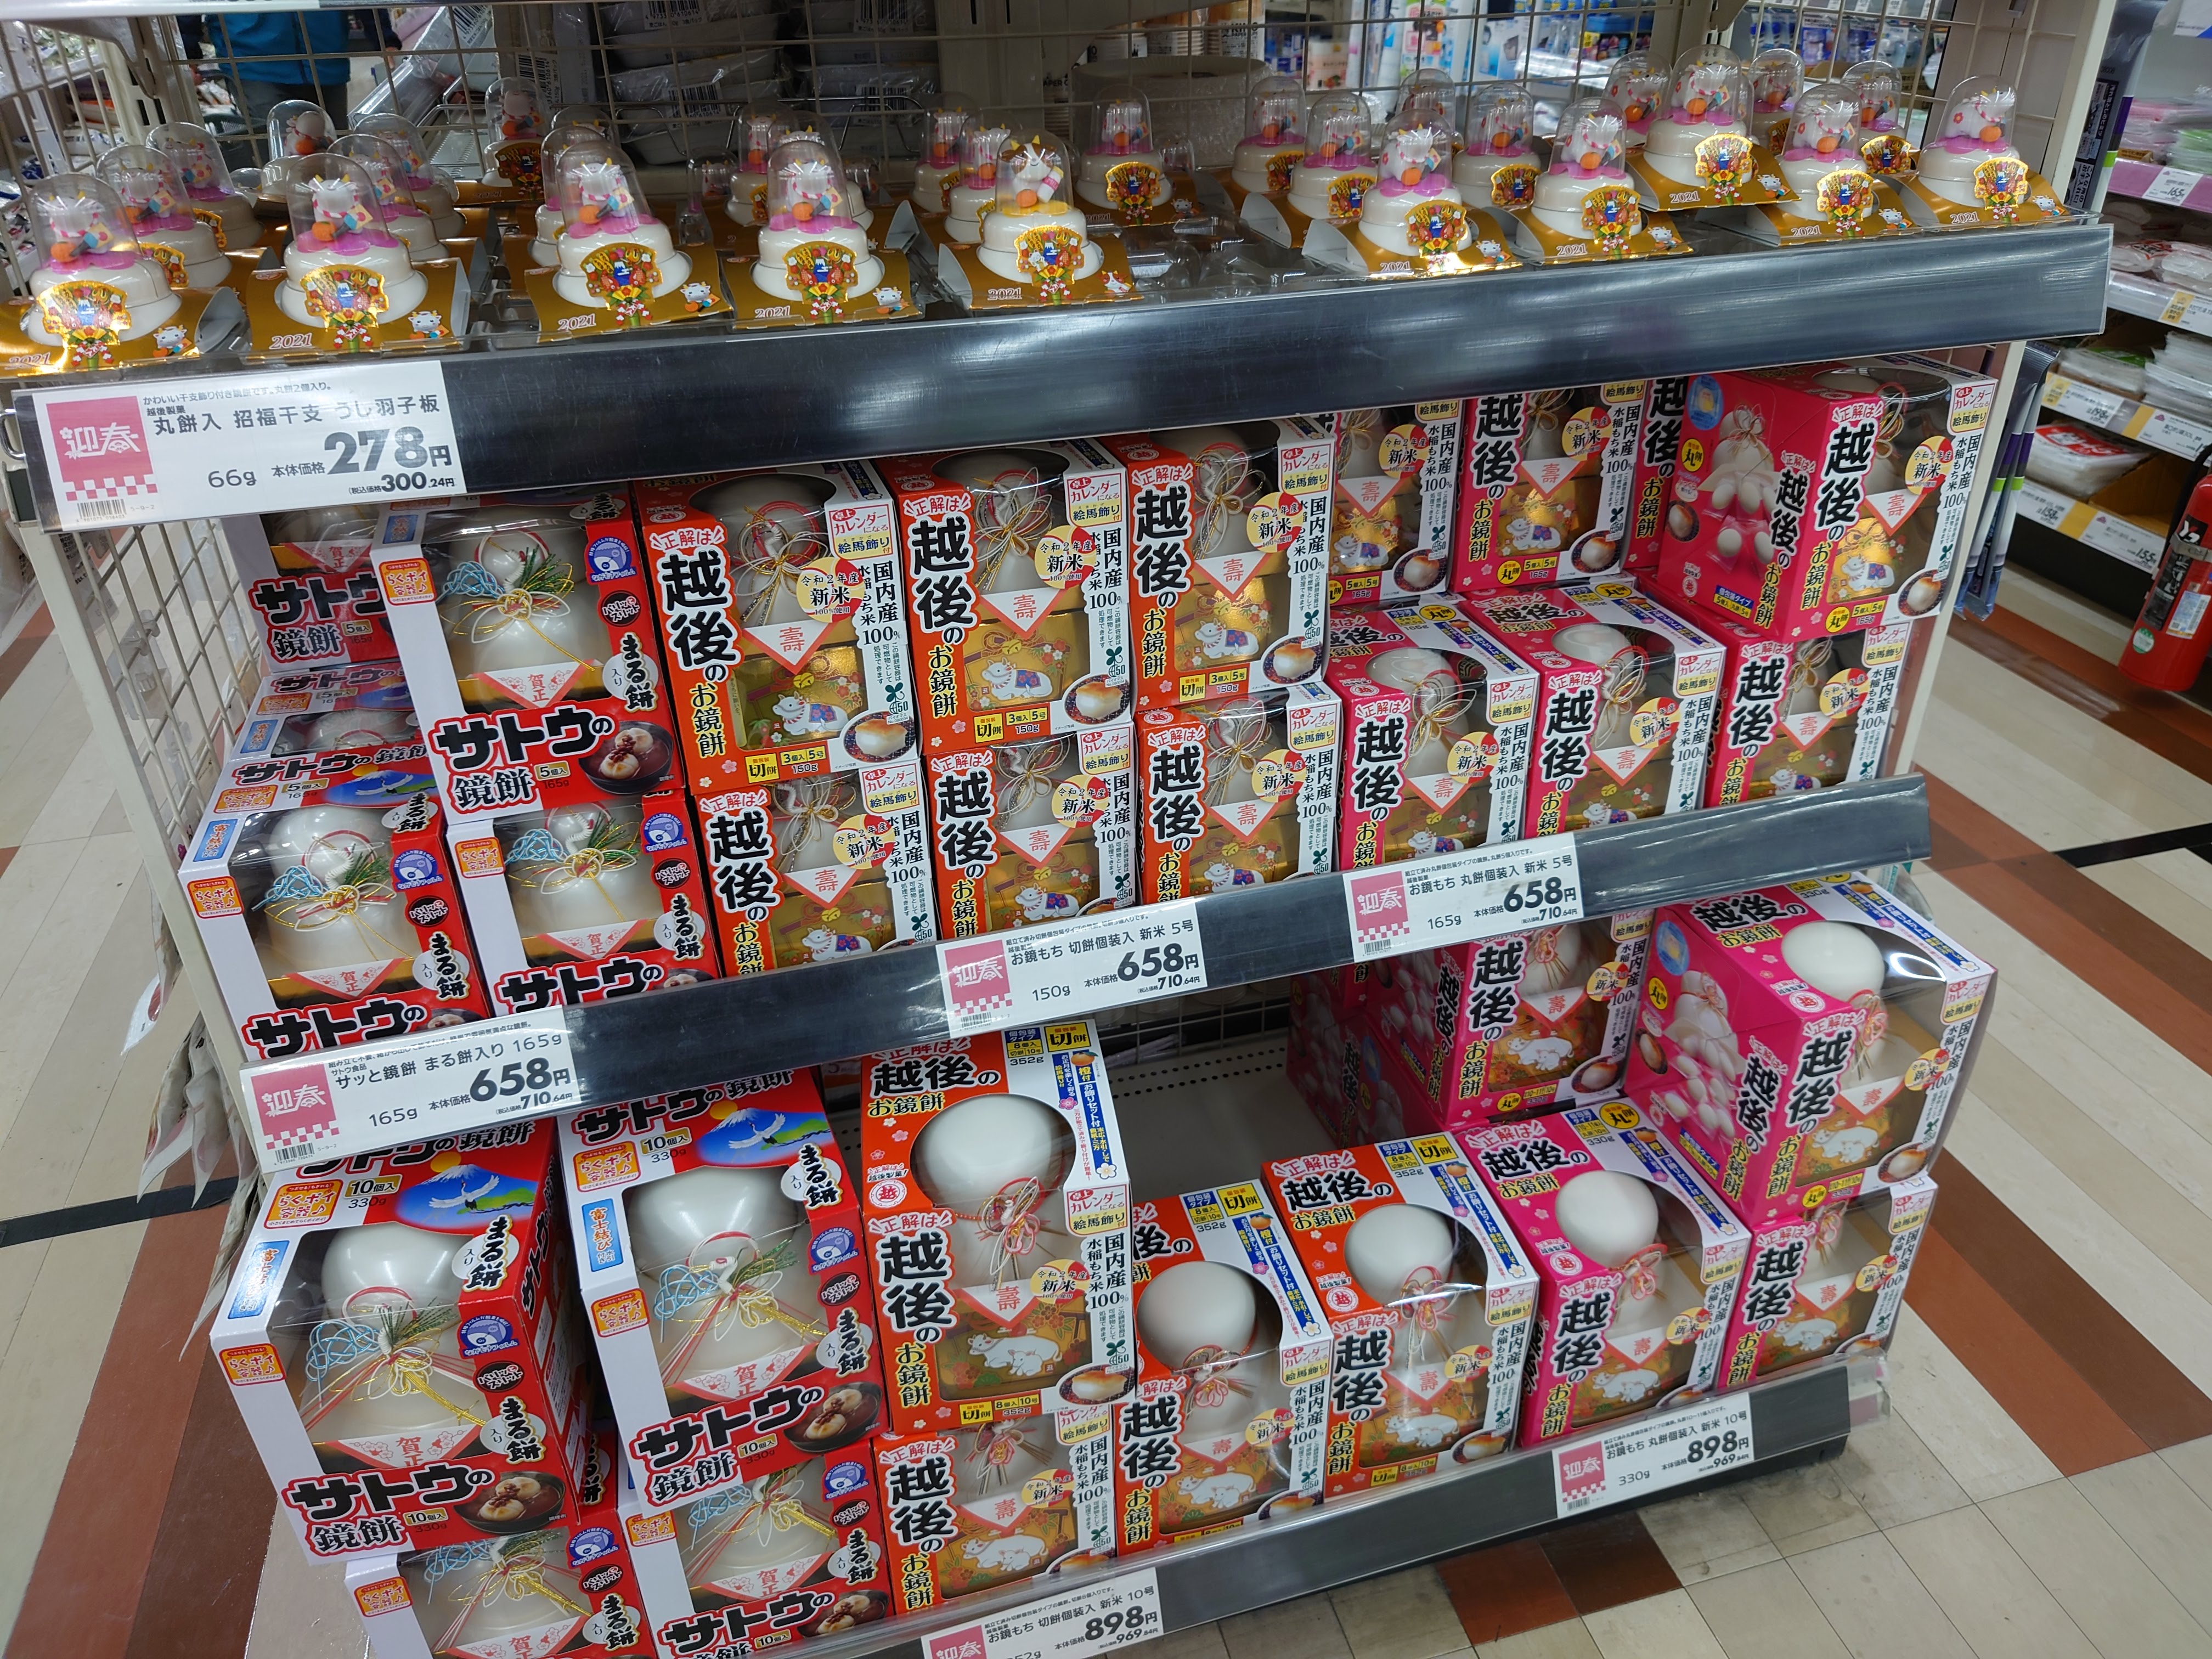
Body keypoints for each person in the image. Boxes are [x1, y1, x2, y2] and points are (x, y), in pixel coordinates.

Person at [205, 12, 352, 159]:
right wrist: (192, 49)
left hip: (326, 53)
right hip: (252, 59)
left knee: (337, 156)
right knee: (279, 158)